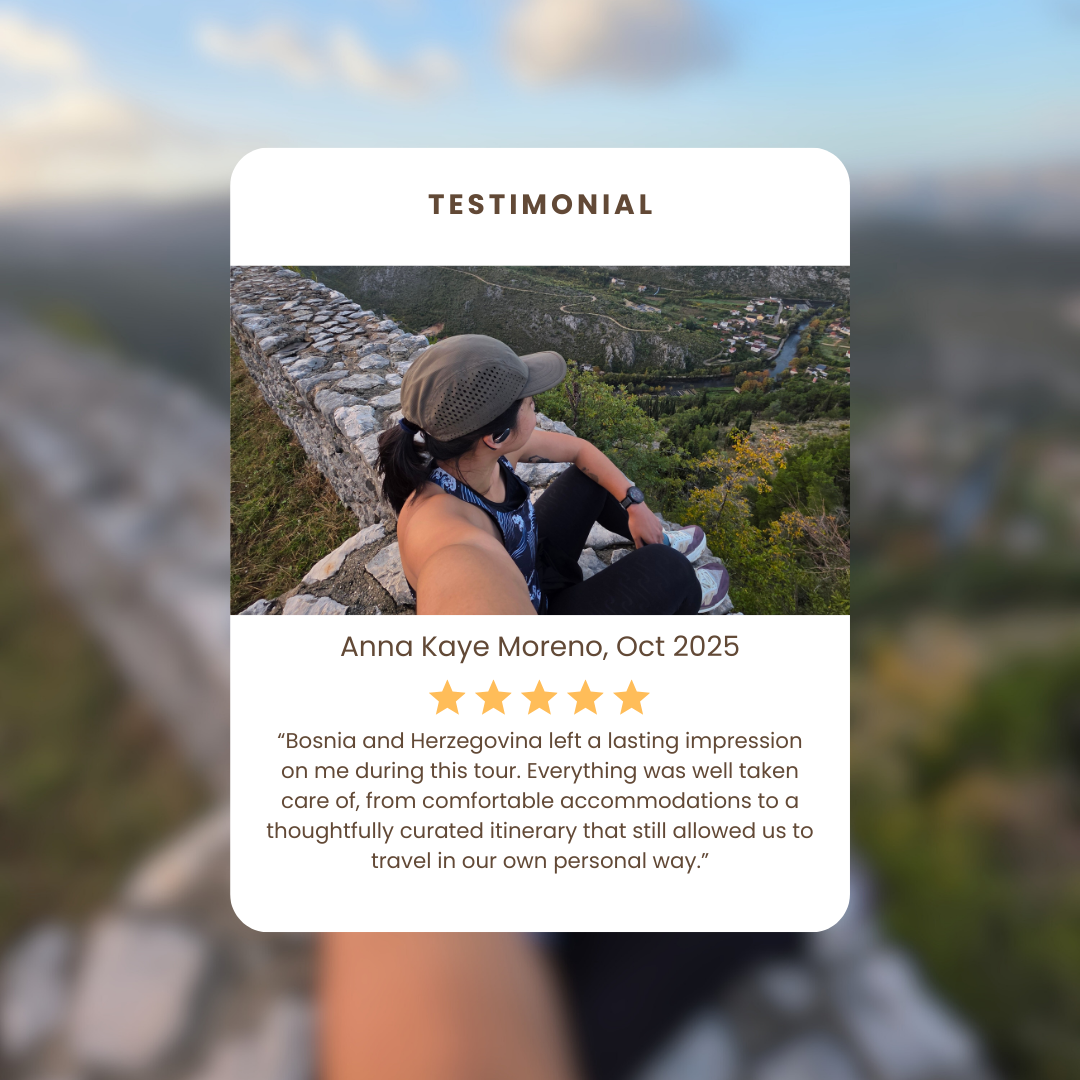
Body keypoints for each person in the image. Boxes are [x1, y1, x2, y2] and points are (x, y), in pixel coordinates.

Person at [376, 334, 729, 615]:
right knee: (671, 571)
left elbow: (580, 451)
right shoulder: (448, 540)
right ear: (497, 435)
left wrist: (635, 505)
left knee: (588, 479)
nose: (536, 407)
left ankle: (655, 537)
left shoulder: (479, 455)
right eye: (530, 403)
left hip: (531, 567)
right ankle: (685, 593)